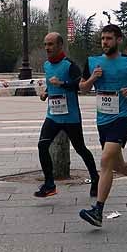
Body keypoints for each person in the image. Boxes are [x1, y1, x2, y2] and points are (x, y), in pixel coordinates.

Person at [77, 24, 127, 226]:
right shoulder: (92, 62)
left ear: (118, 40)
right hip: (103, 120)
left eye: (109, 38)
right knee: (117, 164)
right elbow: (82, 88)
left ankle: (98, 211)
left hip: (122, 117)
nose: (105, 42)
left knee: (106, 160)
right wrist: (92, 78)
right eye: (102, 39)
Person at [35, 32, 100, 198]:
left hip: (70, 116)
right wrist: (47, 92)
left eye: (50, 44)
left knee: (81, 149)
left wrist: (62, 83)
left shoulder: (70, 65)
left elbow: (81, 86)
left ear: (59, 46)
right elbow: (52, 84)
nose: (47, 48)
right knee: (42, 145)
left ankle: (95, 179)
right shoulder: (47, 66)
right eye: (45, 44)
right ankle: (49, 185)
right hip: (53, 116)